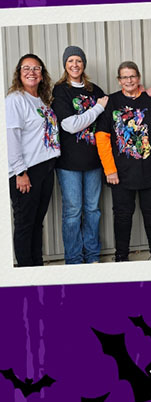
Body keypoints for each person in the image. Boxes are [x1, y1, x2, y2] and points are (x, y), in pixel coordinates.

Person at [96, 61, 151, 261]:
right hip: (121, 174)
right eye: (124, 77)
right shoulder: (111, 102)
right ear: (119, 80)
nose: (129, 80)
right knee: (122, 216)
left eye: (132, 76)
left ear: (138, 77)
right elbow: (102, 138)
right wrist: (109, 170)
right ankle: (121, 256)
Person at [51, 46, 108, 264]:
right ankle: (74, 260)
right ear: (65, 65)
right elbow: (70, 125)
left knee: (93, 210)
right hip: (68, 164)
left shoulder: (95, 90)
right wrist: (97, 110)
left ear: (83, 64)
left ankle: (92, 256)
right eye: (70, 61)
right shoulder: (60, 91)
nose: (75, 64)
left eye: (78, 60)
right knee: (73, 213)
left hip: (93, 162)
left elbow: (118, 104)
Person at [6, 54, 61, 267]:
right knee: (25, 224)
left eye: (36, 68)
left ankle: (37, 267)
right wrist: (20, 172)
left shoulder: (41, 100)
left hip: (46, 168)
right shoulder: (15, 100)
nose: (31, 72)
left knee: (37, 223)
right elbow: (11, 138)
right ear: (19, 73)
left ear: (42, 74)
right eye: (26, 68)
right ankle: (25, 271)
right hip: (27, 171)